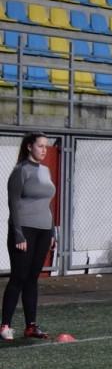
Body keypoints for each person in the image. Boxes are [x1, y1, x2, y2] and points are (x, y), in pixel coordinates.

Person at [2, 132, 56, 341]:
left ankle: (31, 326)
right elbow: (13, 204)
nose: (44, 149)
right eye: (40, 146)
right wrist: (18, 234)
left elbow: (48, 204)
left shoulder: (45, 170)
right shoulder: (20, 171)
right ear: (29, 147)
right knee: (18, 277)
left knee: (32, 279)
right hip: (24, 229)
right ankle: (5, 325)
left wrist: (51, 232)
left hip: (43, 231)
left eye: (46, 146)